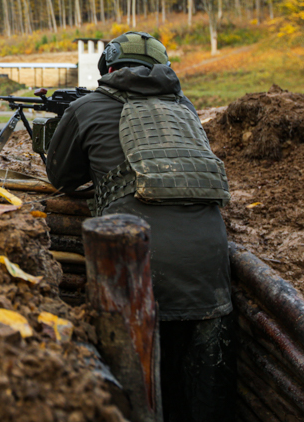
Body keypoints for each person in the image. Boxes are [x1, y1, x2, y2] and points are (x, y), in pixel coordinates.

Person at [46, 31, 236, 422]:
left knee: (137, 387)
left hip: (137, 261)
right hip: (210, 262)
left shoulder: (87, 106)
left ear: (108, 68)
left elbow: (61, 177)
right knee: (201, 393)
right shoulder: (185, 108)